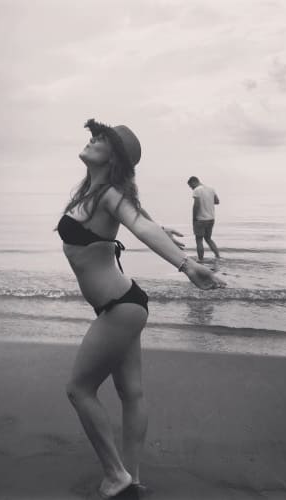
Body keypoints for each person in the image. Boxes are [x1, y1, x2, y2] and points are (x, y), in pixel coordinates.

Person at [57, 119, 225, 499]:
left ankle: (115, 475)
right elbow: (139, 218)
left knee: (79, 390)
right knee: (131, 392)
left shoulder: (108, 194)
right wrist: (160, 226)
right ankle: (131, 477)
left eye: (101, 139)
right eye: (94, 135)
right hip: (125, 304)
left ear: (114, 157)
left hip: (120, 308)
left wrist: (186, 265)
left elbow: (139, 227)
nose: (92, 140)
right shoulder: (94, 192)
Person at [187, 176, 220, 262]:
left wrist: (194, 219)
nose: (191, 188)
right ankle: (218, 256)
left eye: (191, 186)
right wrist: (208, 201)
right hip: (211, 218)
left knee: (199, 240)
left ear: (194, 182)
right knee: (208, 239)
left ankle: (200, 260)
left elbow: (196, 205)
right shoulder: (211, 189)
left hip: (200, 219)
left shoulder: (197, 190)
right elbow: (217, 201)